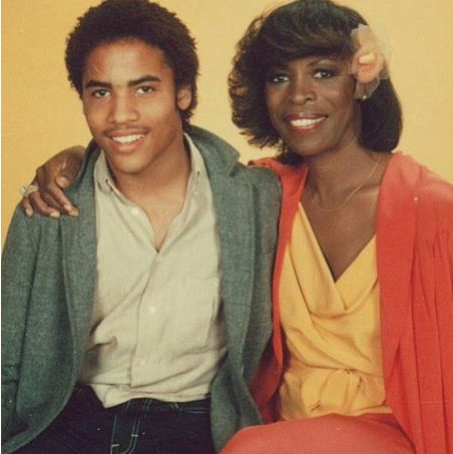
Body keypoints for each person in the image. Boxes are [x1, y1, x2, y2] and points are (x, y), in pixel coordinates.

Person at [24, 1, 453, 452]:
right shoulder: (263, 193)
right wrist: (76, 157)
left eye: (323, 73)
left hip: (394, 431)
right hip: (275, 426)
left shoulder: (433, 211)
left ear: (362, 83)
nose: (298, 94)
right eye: (279, 77)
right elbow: (157, 164)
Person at [0, 1, 280, 453]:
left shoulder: (254, 199)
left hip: (195, 425)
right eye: (100, 92)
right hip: (69, 421)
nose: (120, 115)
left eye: (144, 89)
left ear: (183, 92)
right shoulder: (49, 206)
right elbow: (6, 359)